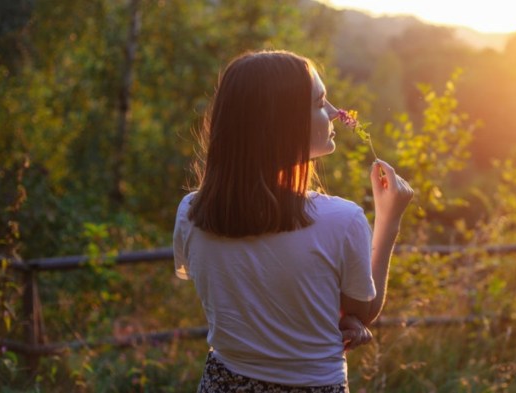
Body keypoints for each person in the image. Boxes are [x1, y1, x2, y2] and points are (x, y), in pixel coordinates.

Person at [173, 49, 413, 392]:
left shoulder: (191, 212)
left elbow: (241, 298)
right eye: (320, 102)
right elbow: (364, 307)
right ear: (281, 123)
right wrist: (389, 219)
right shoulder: (342, 220)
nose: (334, 112)